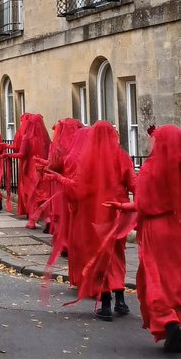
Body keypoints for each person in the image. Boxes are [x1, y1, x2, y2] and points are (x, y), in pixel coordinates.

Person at [107, 125, 181, 353]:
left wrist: (122, 206)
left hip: (159, 229)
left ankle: (169, 321)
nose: (150, 144)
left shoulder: (150, 169)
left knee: (157, 277)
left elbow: (143, 205)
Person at [48, 122, 135, 320]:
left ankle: (105, 304)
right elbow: (133, 184)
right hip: (118, 212)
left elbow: (77, 189)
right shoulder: (122, 156)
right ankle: (120, 299)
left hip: (95, 215)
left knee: (100, 256)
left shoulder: (89, 158)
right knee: (117, 255)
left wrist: (57, 178)